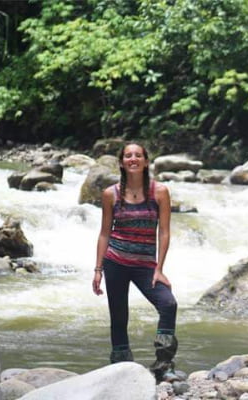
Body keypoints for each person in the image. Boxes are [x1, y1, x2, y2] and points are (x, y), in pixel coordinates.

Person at [92, 142, 180, 382]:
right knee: (119, 318)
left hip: (145, 265)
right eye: (128, 156)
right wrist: (98, 270)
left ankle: (164, 363)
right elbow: (104, 233)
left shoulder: (159, 192)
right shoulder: (111, 194)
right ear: (121, 162)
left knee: (168, 304)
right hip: (115, 262)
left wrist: (159, 268)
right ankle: (121, 367)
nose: (133, 159)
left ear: (146, 161)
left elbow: (164, 232)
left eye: (138, 155)